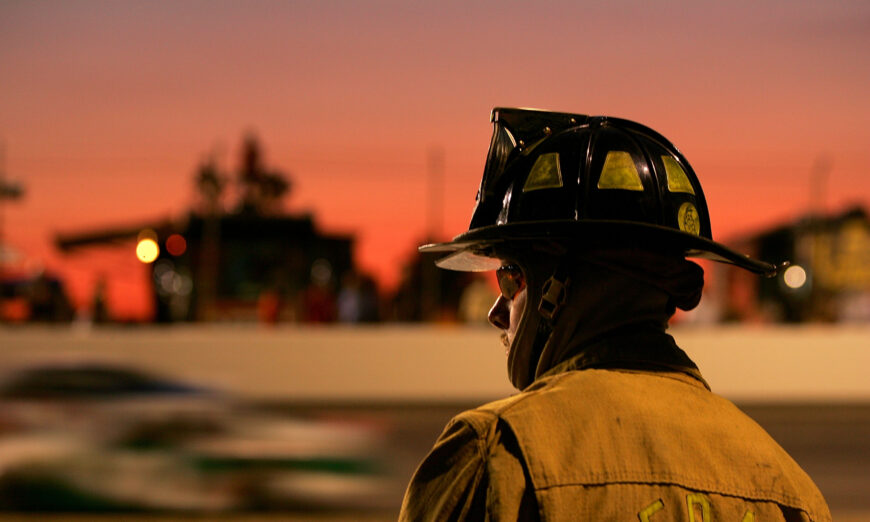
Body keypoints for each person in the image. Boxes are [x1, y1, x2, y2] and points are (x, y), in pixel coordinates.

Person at [399, 108, 830, 521]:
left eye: (512, 278)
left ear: (560, 286)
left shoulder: (495, 455)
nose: (497, 312)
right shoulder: (791, 490)